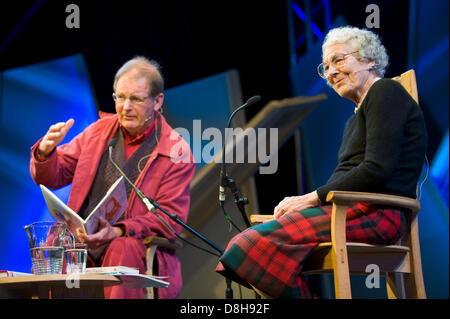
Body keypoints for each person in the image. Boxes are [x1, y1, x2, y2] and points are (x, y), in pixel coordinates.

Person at [216, 26, 427, 298]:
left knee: (250, 246)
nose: (331, 72)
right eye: (325, 66)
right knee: (248, 246)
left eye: (338, 60)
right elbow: (343, 177)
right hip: (351, 211)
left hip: (377, 214)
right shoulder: (356, 117)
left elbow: (377, 168)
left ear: (369, 60)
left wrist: (310, 199)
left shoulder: (385, 91)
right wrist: (303, 205)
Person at [30, 56, 195, 299]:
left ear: (158, 101)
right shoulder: (98, 132)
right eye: (120, 97)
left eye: (136, 99)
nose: (125, 107)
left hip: (130, 247)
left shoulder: (175, 152)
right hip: (82, 242)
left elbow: (170, 219)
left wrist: (118, 231)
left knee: (122, 247)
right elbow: (56, 175)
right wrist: (45, 151)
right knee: (60, 245)